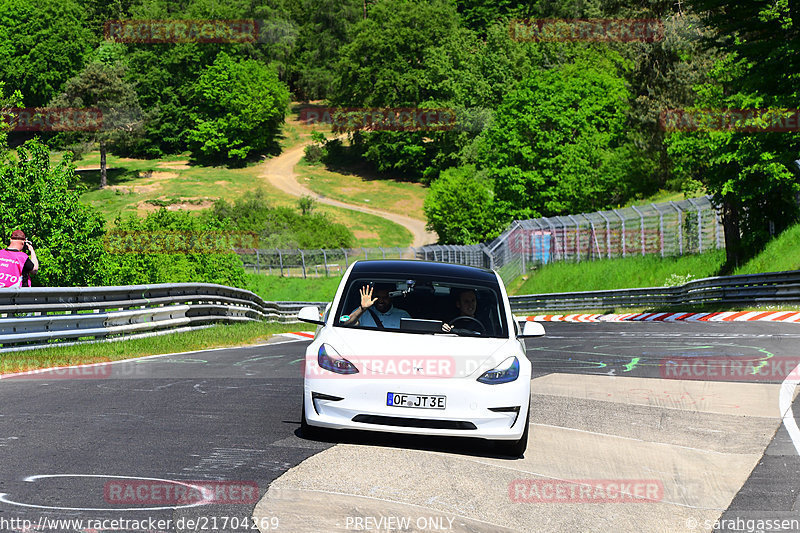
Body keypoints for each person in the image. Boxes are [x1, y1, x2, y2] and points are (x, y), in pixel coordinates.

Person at [343, 283, 410, 329]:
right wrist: (362, 309)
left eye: (385, 298)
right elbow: (346, 324)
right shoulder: (362, 313)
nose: (380, 301)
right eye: (377, 297)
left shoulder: (402, 315)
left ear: (392, 297)